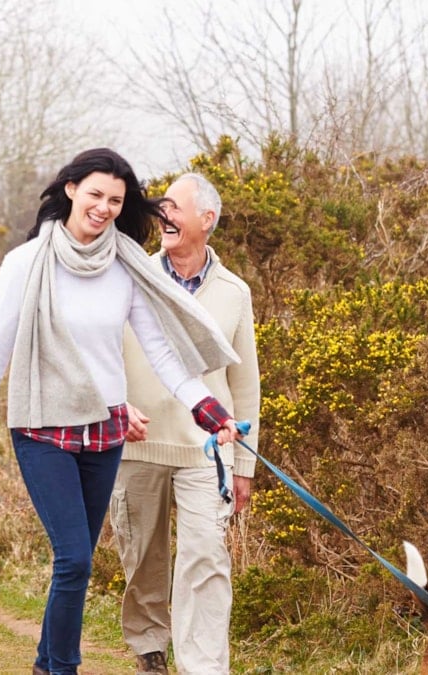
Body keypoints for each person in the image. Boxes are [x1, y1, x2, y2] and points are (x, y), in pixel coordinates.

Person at [0, 149, 245, 675]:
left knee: (75, 565)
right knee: (75, 559)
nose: (105, 208)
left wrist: (206, 407)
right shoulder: (26, 264)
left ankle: (46, 663)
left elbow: (160, 351)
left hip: (104, 432)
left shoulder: (125, 263)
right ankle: (63, 667)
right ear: (70, 190)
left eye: (115, 199)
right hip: (41, 427)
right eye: (95, 195)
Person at [109, 173, 261, 675]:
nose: (163, 215)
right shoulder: (132, 276)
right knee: (141, 560)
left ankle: (203, 666)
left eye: (174, 206)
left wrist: (244, 463)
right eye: (161, 206)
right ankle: (150, 649)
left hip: (207, 452)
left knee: (206, 558)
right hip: (137, 444)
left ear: (206, 220)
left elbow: (245, 385)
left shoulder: (235, 293)